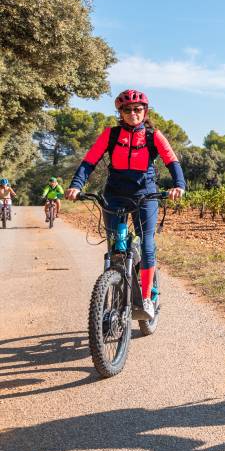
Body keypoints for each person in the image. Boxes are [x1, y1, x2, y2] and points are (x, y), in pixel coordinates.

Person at [66, 89, 186, 319]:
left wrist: (178, 185)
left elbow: (172, 161)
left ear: (145, 111)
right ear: (120, 113)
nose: (133, 113)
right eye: (127, 110)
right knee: (115, 247)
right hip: (115, 194)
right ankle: (114, 287)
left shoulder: (153, 136)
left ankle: (148, 297)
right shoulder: (111, 135)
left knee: (147, 241)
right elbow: (89, 161)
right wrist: (76, 184)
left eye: (137, 109)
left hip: (145, 195)